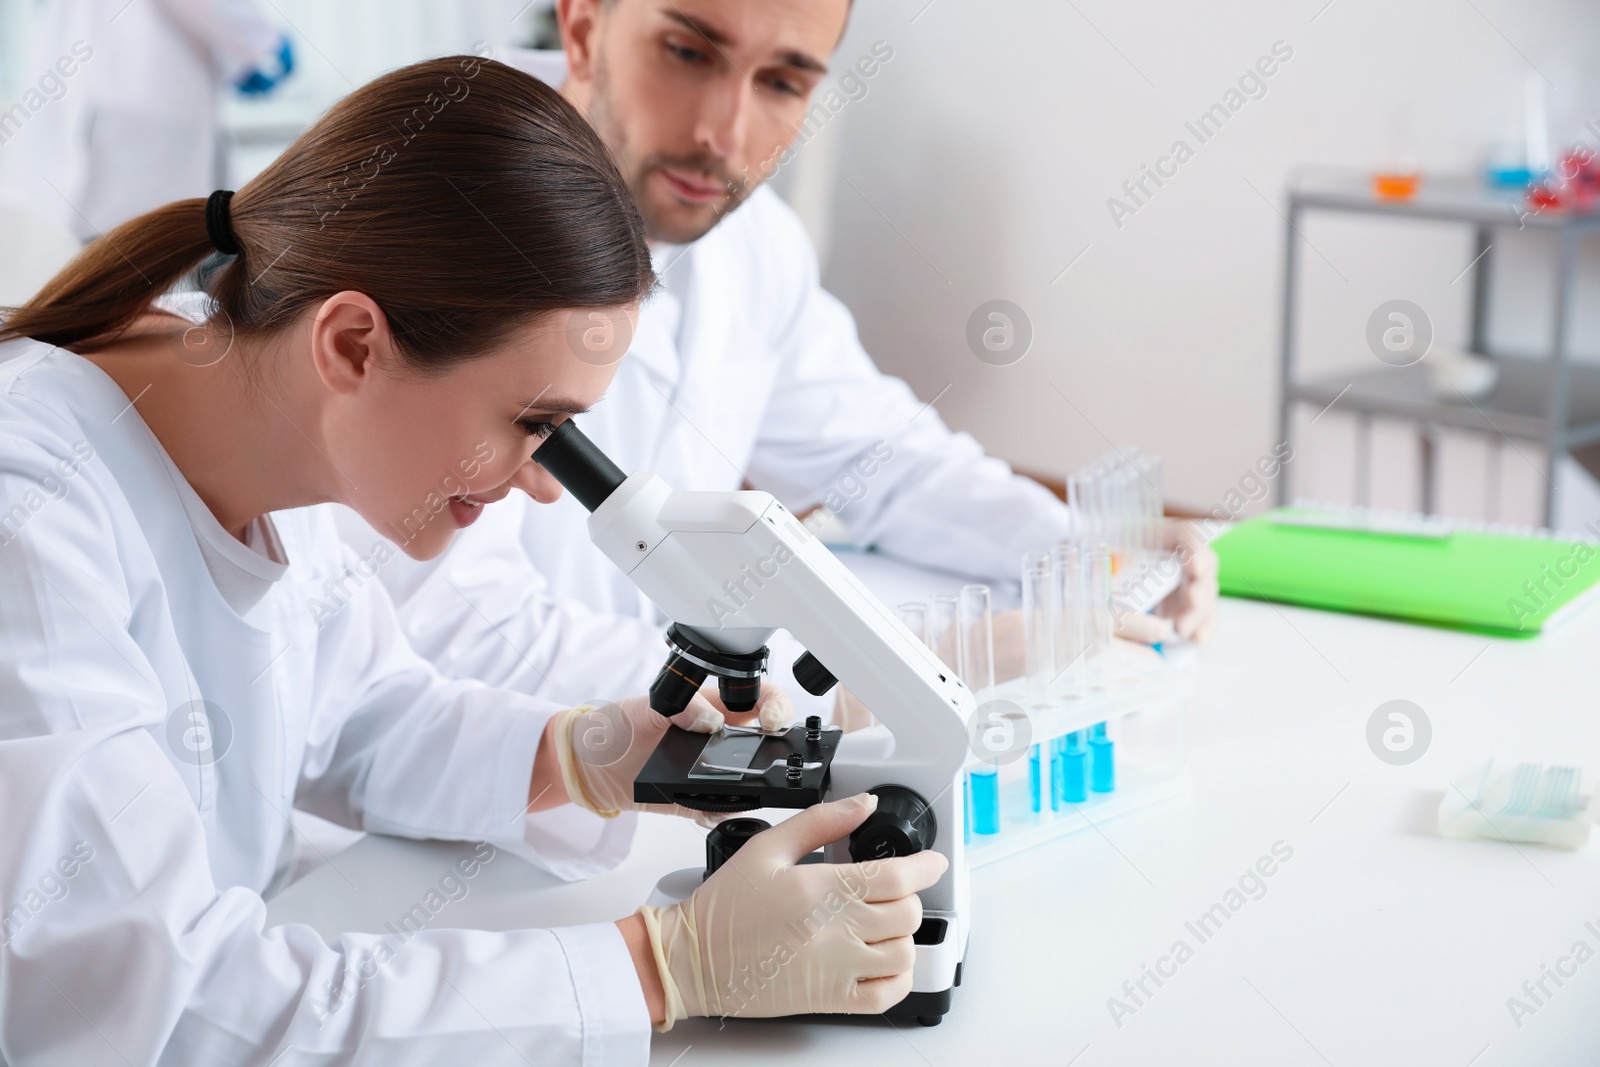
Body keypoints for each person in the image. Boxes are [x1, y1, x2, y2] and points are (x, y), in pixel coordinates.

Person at [0, 56, 944, 1064]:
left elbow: (358, 713)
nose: (544, 483)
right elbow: (179, 1008)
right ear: (355, 343)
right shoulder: (33, 524)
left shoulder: (260, 400)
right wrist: (663, 965)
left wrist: (583, 754)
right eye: (533, 423)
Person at [332, 0, 1220, 721]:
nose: (725, 131)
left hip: (636, 769)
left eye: (785, 80)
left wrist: (1087, 552)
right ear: (583, 24)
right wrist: (888, 672)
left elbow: (883, 459)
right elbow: (463, 634)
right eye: (687, 51)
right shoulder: (439, 215)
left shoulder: (750, 240)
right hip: (451, 818)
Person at [0, 0, 293, 243]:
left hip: (97, 92)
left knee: (113, 253)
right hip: (142, 104)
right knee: (153, 251)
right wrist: (262, 45)